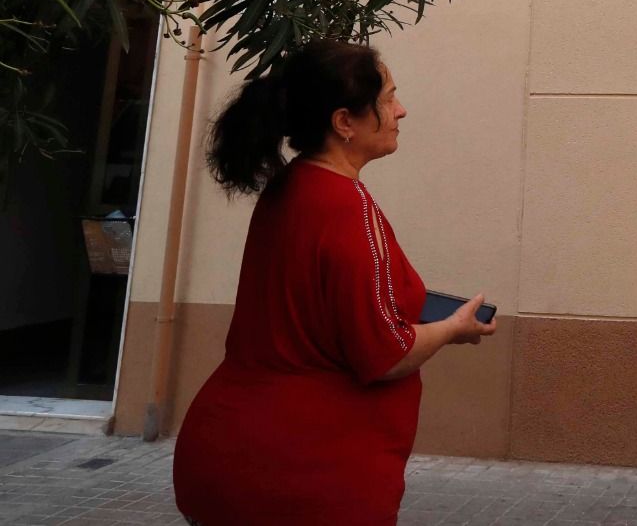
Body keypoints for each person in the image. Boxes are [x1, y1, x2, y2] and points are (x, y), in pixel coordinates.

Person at [172, 41, 496, 526]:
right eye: (387, 99)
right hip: (305, 479)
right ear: (345, 122)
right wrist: (453, 327)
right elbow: (386, 354)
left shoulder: (291, 187)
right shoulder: (348, 209)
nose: (400, 111)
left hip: (225, 456)